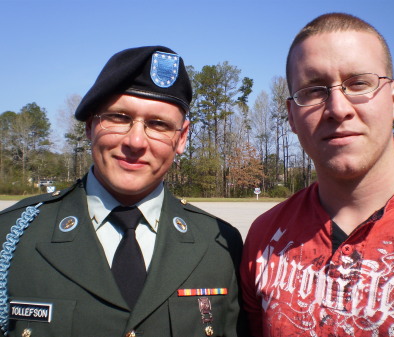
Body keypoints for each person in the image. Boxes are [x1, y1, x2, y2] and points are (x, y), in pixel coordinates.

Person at [0, 46, 247, 336]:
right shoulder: (12, 236)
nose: (136, 141)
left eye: (158, 124)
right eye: (119, 117)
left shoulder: (220, 245)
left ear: (181, 139)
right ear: (90, 127)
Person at [240, 13, 394, 336]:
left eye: (359, 83)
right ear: (292, 117)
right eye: (313, 91)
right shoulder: (264, 239)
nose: (338, 108)